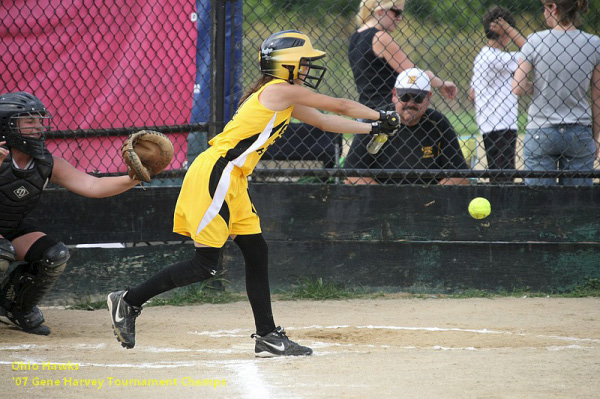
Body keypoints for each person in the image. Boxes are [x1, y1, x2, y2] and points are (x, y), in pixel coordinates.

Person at [106, 30, 400, 357]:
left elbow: (325, 121)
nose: (307, 70)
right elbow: (342, 105)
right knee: (205, 265)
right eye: (303, 64)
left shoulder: (283, 96)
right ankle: (128, 300)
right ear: (286, 65)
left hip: (234, 179)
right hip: (216, 173)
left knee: (256, 251)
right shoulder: (278, 90)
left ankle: (267, 337)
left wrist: (374, 127)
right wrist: (381, 114)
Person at [0, 92, 140, 335]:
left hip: (10, 226)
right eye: (28, 121)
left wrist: (135, 177)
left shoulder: (45, 163)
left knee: (54, 254)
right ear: (7, 124)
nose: (38, 127)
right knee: (1, 252)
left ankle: (14, 309)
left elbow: (92, 186)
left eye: (39, 120)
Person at [512, 0, 600, 186]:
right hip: (579, 130)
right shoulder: (594, 43)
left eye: (545, 8)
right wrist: (595, 137)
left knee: (540, 204)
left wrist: (540, 86)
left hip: (541, 129)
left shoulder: (535, 40)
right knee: (577, 203)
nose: (544, 13)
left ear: (553, 8)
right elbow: (597, 96)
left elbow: (518, 86)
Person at [344, 68, 469, 185]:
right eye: (405, 96)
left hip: (427, 202)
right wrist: (382, 197)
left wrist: (429, 197)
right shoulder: (377, 120)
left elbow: (460, 176)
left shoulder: (438, 123)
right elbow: (352, 172)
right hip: (381, 201)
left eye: (418, 98)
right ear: (394, 95)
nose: (411, 103)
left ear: (428, 98)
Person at [348, 0, 456, 111]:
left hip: (367, 108)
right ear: (381, 11)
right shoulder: (381, 38)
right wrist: (441, 83)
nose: (400, 18)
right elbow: (415, 74)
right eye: (397, 13)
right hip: (388, 109)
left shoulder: (356, 36)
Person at [469, 6, 526, 183]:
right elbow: (531, 52)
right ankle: (504, 210)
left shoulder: (483, 55)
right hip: (501, 124)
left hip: (490, 124)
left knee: (499, 174)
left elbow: (472, 93)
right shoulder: (496, 58)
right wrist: (509, 28)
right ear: (505, 31)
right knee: (504, 177)